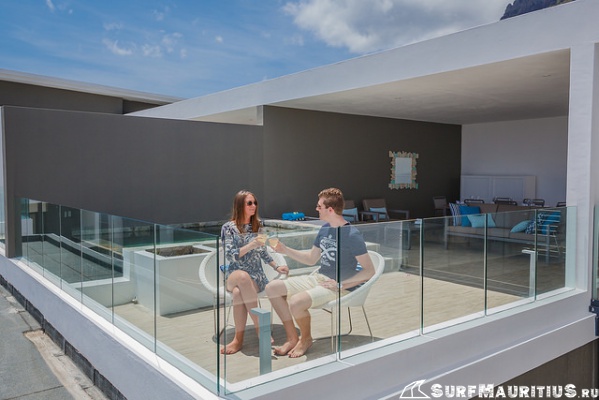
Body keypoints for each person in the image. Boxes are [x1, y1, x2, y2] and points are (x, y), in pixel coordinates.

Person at [266, 188, 375, 358]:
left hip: (338, 286)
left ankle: (306, 339)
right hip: (320, 278)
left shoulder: (352, 235)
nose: (316, 209)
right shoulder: (325, 229)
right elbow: (311, 259)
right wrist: (285, 250)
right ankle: (292, 337)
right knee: (272, 288)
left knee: (296, 302)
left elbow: (369, 271)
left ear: (330, 210)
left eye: (319, 206)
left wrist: (340, 285)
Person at [220, 190, 289, 354]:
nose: (254, 206)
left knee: (238, 294)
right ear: (240, 205)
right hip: (234, 275)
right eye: (249, 203)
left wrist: (276, 267)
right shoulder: (228, 228)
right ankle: (260, 328)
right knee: (242, 277)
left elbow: (263, 251)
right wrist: (251, 245)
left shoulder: (258, 226)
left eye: (255, 202)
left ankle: (238, 340)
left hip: (256, 277)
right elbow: (230, 255)